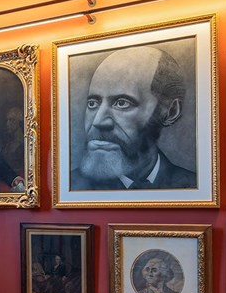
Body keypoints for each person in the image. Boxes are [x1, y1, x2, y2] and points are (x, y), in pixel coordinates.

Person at [72, 46, 195, 190]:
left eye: (122, 103)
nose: (98, 121)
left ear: (171, 112)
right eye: (93, 104)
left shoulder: (193, 186)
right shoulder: (71, 186)